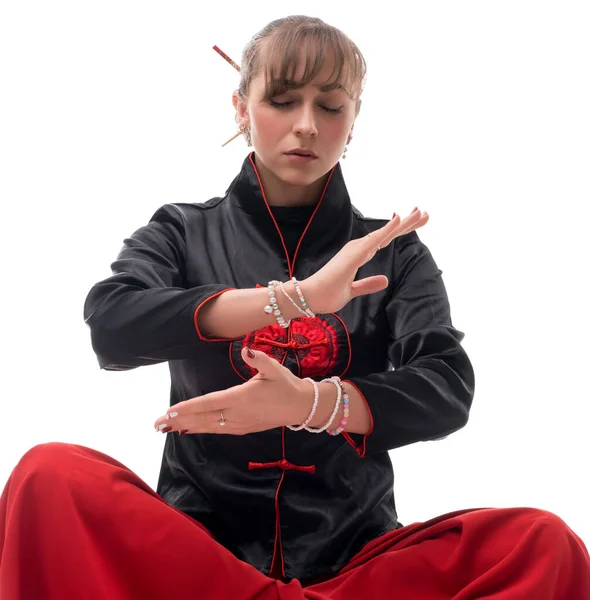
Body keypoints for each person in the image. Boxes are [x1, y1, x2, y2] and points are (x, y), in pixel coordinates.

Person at [1, 14, 589, 600]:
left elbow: (446, 387)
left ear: (354, 120)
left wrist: (313, 404)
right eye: (282, 100)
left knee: (541, 542)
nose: (306, 126)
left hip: (356, 569)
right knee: (48, 475)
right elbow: (112, 325)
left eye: (330, 107)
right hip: (198, 561)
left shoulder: (394, 251)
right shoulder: (181, 230)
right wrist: (296, 299)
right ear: (240, 107)